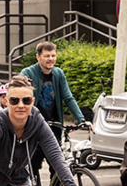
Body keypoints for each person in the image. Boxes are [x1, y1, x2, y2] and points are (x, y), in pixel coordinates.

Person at [20, 41, 87, 175]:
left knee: (56, 167)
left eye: (53, 55)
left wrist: (81, 119)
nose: (51, 59)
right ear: (38, 57)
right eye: (47, 56)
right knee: (32, 166)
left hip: (53, 127)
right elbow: (23, 99)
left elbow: (68, 98)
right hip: (33, 127)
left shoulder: (58, 74)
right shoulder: (28, 73)